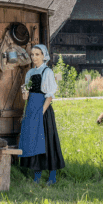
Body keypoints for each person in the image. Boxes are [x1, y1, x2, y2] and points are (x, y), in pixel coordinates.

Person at [18, 44, 65, 185]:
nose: (34, 57)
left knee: (47, 142)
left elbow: (49, 96)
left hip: (43, 111)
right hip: (31, 110)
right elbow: (26, 97)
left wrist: (41, 113)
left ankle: (52, 177)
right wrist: (25, 95)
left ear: (44, 56)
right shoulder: (30, 73)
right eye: (32, 54)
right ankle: (37, 176)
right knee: (33, 142)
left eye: (37, 54)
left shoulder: (47, 72)